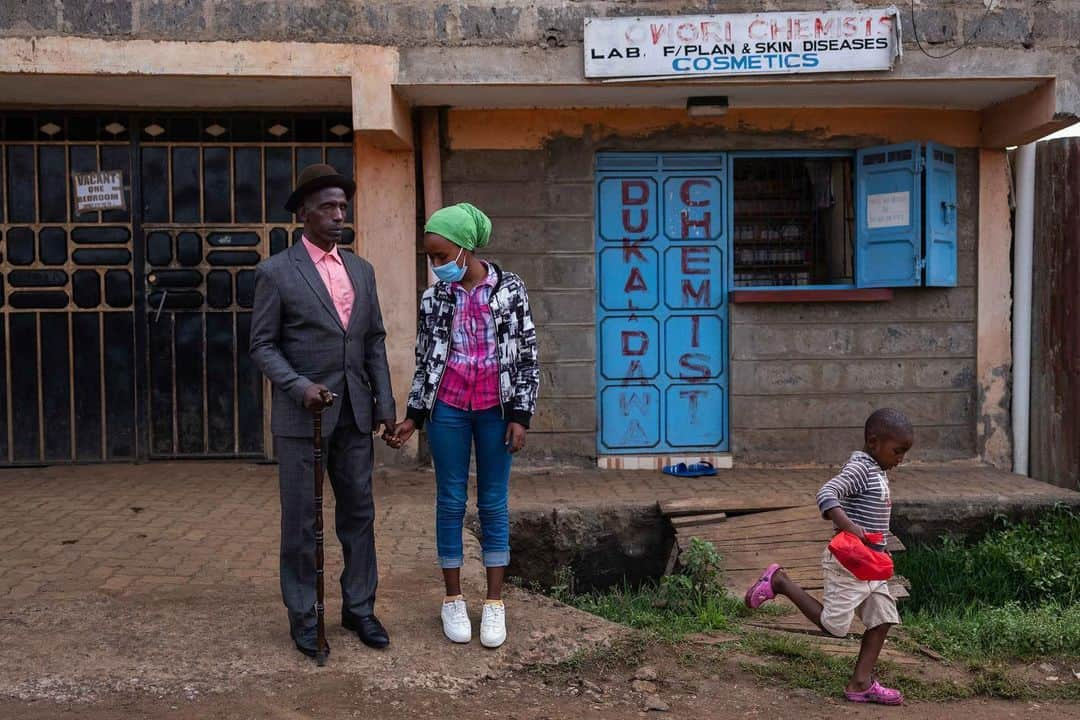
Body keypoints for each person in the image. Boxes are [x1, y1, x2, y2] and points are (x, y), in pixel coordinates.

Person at [250, 163, 396, 659]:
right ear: (303, 214)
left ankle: (359, 608)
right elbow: (262, 345)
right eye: (328, 207)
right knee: (301, 520)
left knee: (359, 513)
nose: (339, 215)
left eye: (342, 206)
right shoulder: (276, 271)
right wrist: (298, 386)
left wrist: (384, 403)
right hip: (301, 419)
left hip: (354, 413)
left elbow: (373, 339)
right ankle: (305, 615)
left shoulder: (361, 269)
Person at [386, 202, 539, 649]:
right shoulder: (434, 298)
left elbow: (527, 354)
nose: (435, 267)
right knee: (450, 500)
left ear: (465, 249)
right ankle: (453, 598)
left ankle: (494, 603)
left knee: (493, 502)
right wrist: (414, 417)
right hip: (448, 410)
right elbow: (426, 360)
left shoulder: (510, 290)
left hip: (497, 410)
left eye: (440, 256)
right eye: (429, 259)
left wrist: (521, 416)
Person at [744, 408, 914, 706]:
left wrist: (879, 546)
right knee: (835, 627)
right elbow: (827, 492)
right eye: (897, 451)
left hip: (870, 566)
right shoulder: (860, 468)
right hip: (847, 565)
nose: (900, 459)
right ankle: (780, 582)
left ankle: (860, 683)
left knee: (883, 618)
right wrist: (851, 528)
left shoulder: (878, 469)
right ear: (874, 443)